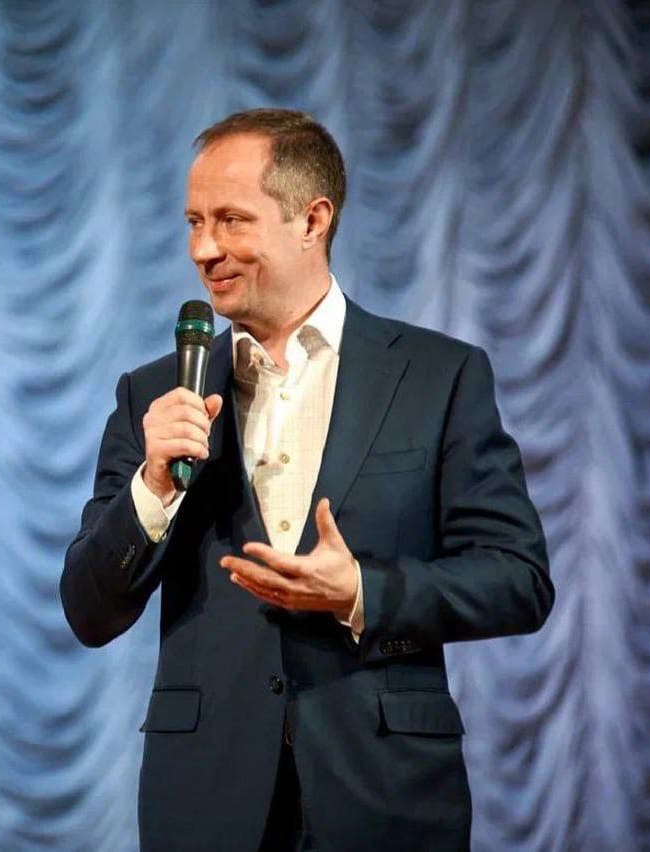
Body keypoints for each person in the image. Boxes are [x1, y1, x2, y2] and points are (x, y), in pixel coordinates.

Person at [61, 109, 553, 851]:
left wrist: (361, 592)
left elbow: (517, 579)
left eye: (231, 220)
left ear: (312, 220)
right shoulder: (156, 394)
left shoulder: (437, 376)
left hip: (384, 795)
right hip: (206, 801)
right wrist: (152, 487)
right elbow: (88, 611)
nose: (203, 249)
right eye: (194, 222)